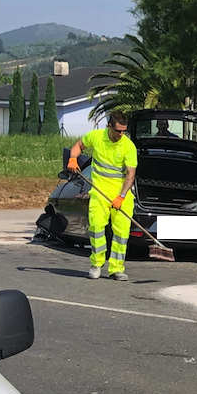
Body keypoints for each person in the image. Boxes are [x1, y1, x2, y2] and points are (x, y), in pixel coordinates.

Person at [66, 110, 138, 280]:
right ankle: (96, 264)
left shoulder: (128, 146)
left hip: (122, 195)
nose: (121, 134)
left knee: (121, 232)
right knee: (96, 228)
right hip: (99, 192)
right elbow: (77, 146)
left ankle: (116, 268)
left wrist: (120, 197)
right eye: (118, 130)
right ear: (109, 126)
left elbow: (130, 174)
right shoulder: (96, 137)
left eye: (124, 131)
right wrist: (73, 159)